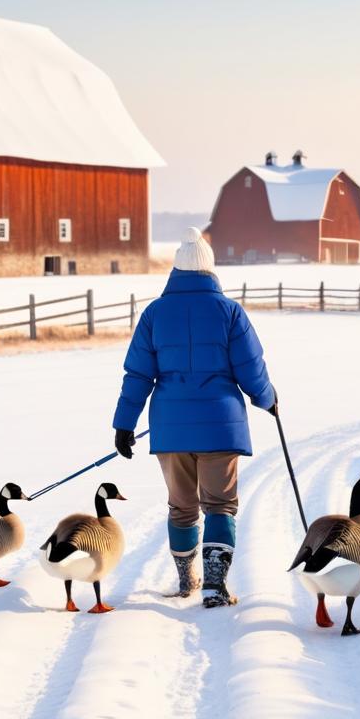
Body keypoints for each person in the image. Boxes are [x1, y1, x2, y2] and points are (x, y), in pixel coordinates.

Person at [112, 227, 276, 607]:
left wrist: (124, 424)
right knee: (219, 505)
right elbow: (251, 368)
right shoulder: (229, 312)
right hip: (221, 425)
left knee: (181, 506)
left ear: (176, 270)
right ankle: (215, 586)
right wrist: (267, 399)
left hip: (171, 429)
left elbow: (138, 374)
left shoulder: (154, 313)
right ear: (210, 269)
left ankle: (188, 580)